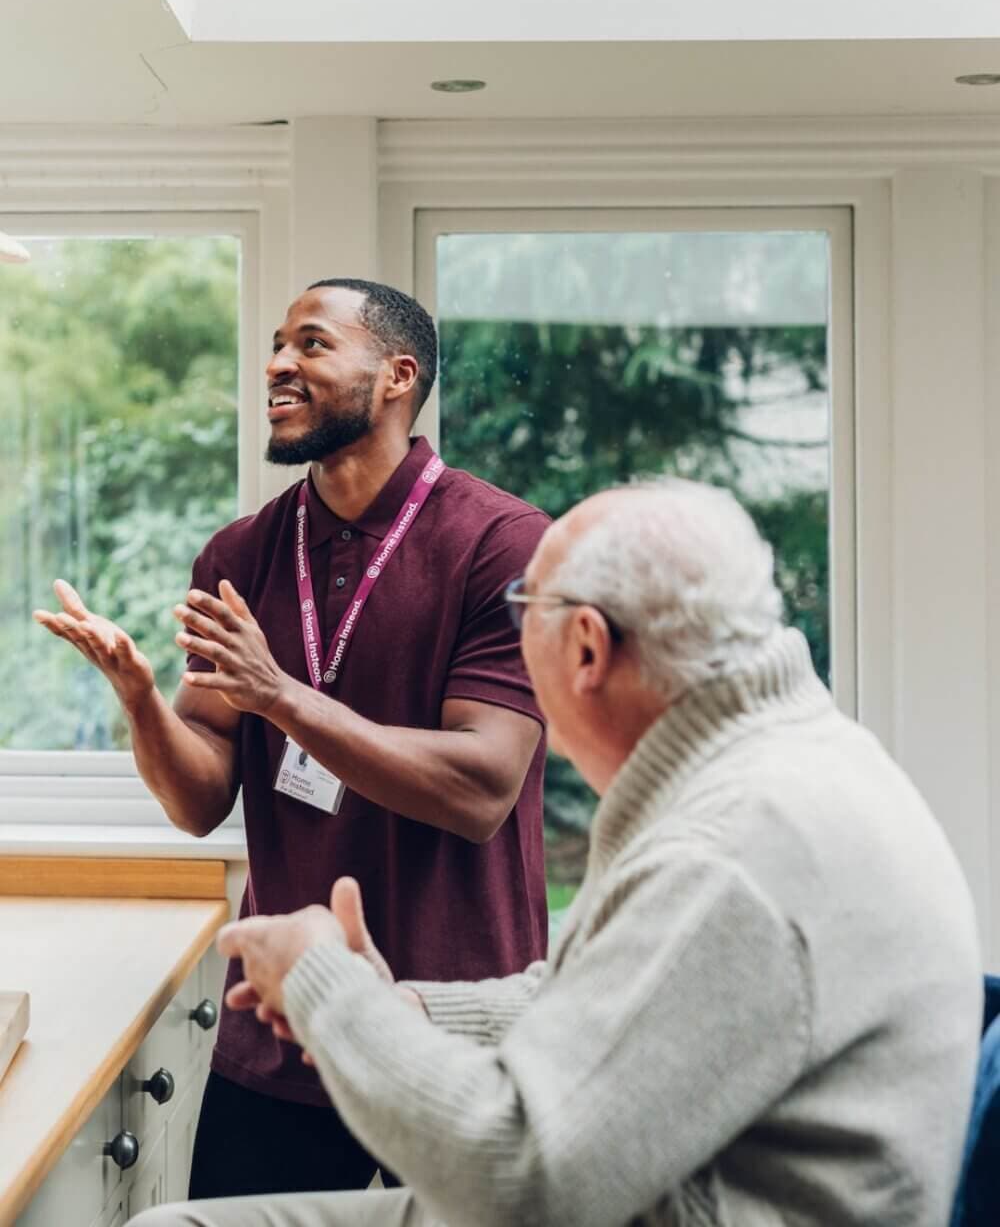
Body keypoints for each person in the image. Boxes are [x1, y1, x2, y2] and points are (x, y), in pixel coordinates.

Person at [134, 477, 982, 1227]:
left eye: (521, 613)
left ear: (584, 648)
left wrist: (326, 990)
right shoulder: (794, 764)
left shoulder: (728, 852)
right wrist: (412, 1010)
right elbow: (635, 997)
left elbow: (521, 1185)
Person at [34, 279, 550, 1198]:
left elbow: (481, 789)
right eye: (276, 344)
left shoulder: (504, 543)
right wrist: (143, 701)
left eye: (312, 344)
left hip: (455, 1030)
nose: (277, 364)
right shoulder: (240, 555)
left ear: (397, 376)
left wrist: (280, 695)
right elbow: (200, 801)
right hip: (281, 1032)